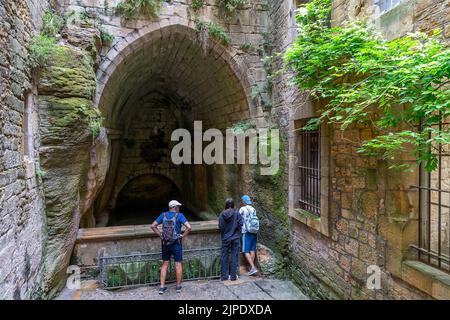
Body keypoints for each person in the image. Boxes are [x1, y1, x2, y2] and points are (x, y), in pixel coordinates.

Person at [151, 200, 192, 294]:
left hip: (165, 243)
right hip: (176, 243)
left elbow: (153, 226)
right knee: (178, 264)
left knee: (165, 264)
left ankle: (162, 287)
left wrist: (161, 235)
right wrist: (183, 235)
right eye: (178, 206)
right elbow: (189, 227)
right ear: (175, 207)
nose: (179, 208)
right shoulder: (180, 215)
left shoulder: (163, 215)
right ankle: (178, 286)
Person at [218, 198, 243, 281]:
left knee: (224, 256)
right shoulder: (237, 213)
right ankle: (233, 276)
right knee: (234, 256)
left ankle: (224, 276)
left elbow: (220, 226)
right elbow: (241, 224)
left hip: (225, 238)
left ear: (226, 204)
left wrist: (225, 234)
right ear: (233, 204)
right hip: (235, 238)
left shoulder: (222, 214)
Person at [239, 195, 259, 276]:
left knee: (245, 251)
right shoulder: (253, 209)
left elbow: (238, 218)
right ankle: (251, 268)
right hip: (254, 231)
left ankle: (253, 268)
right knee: (252, 249)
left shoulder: (242, 209)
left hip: (246, 231)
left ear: (244, 201)